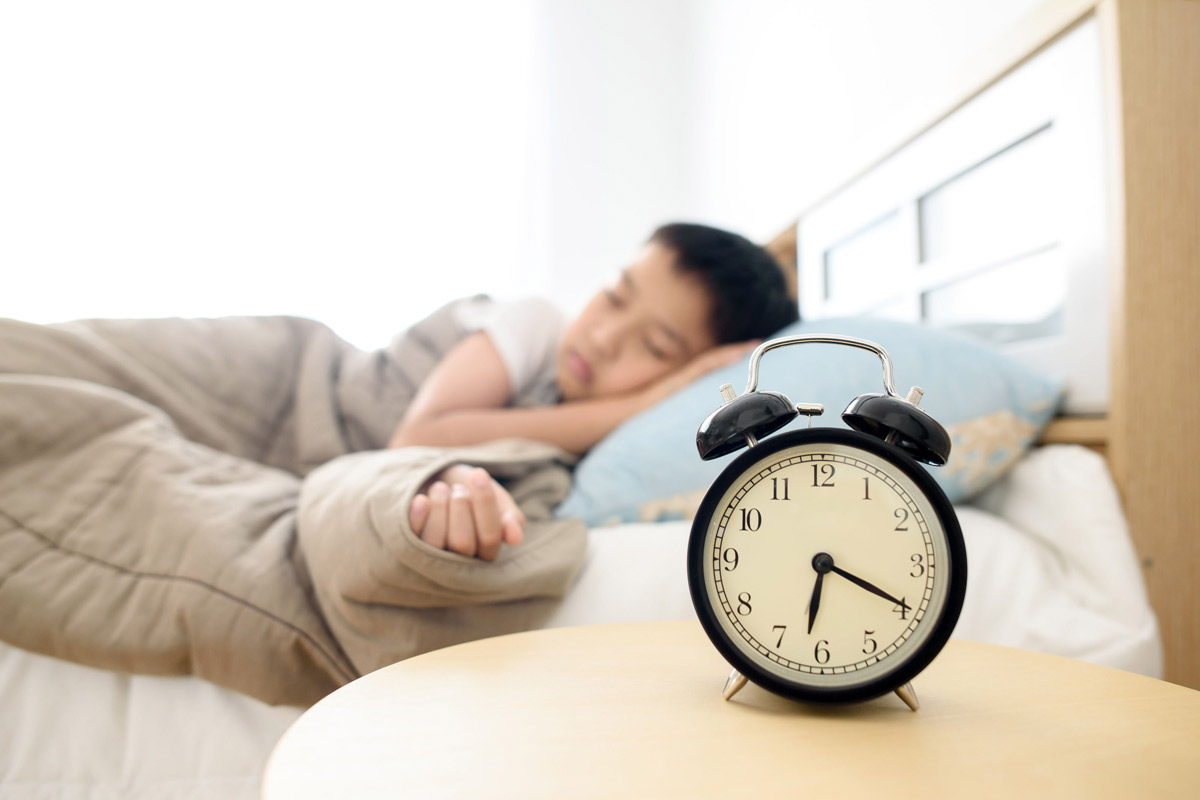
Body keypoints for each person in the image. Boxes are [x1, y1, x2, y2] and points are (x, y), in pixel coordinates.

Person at [395, 222, 798, 562]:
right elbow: (415, 439)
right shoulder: (538, 325)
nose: (604, 338)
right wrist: (638, 403)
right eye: (614, 296)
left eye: (655, 346)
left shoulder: (611, 457)